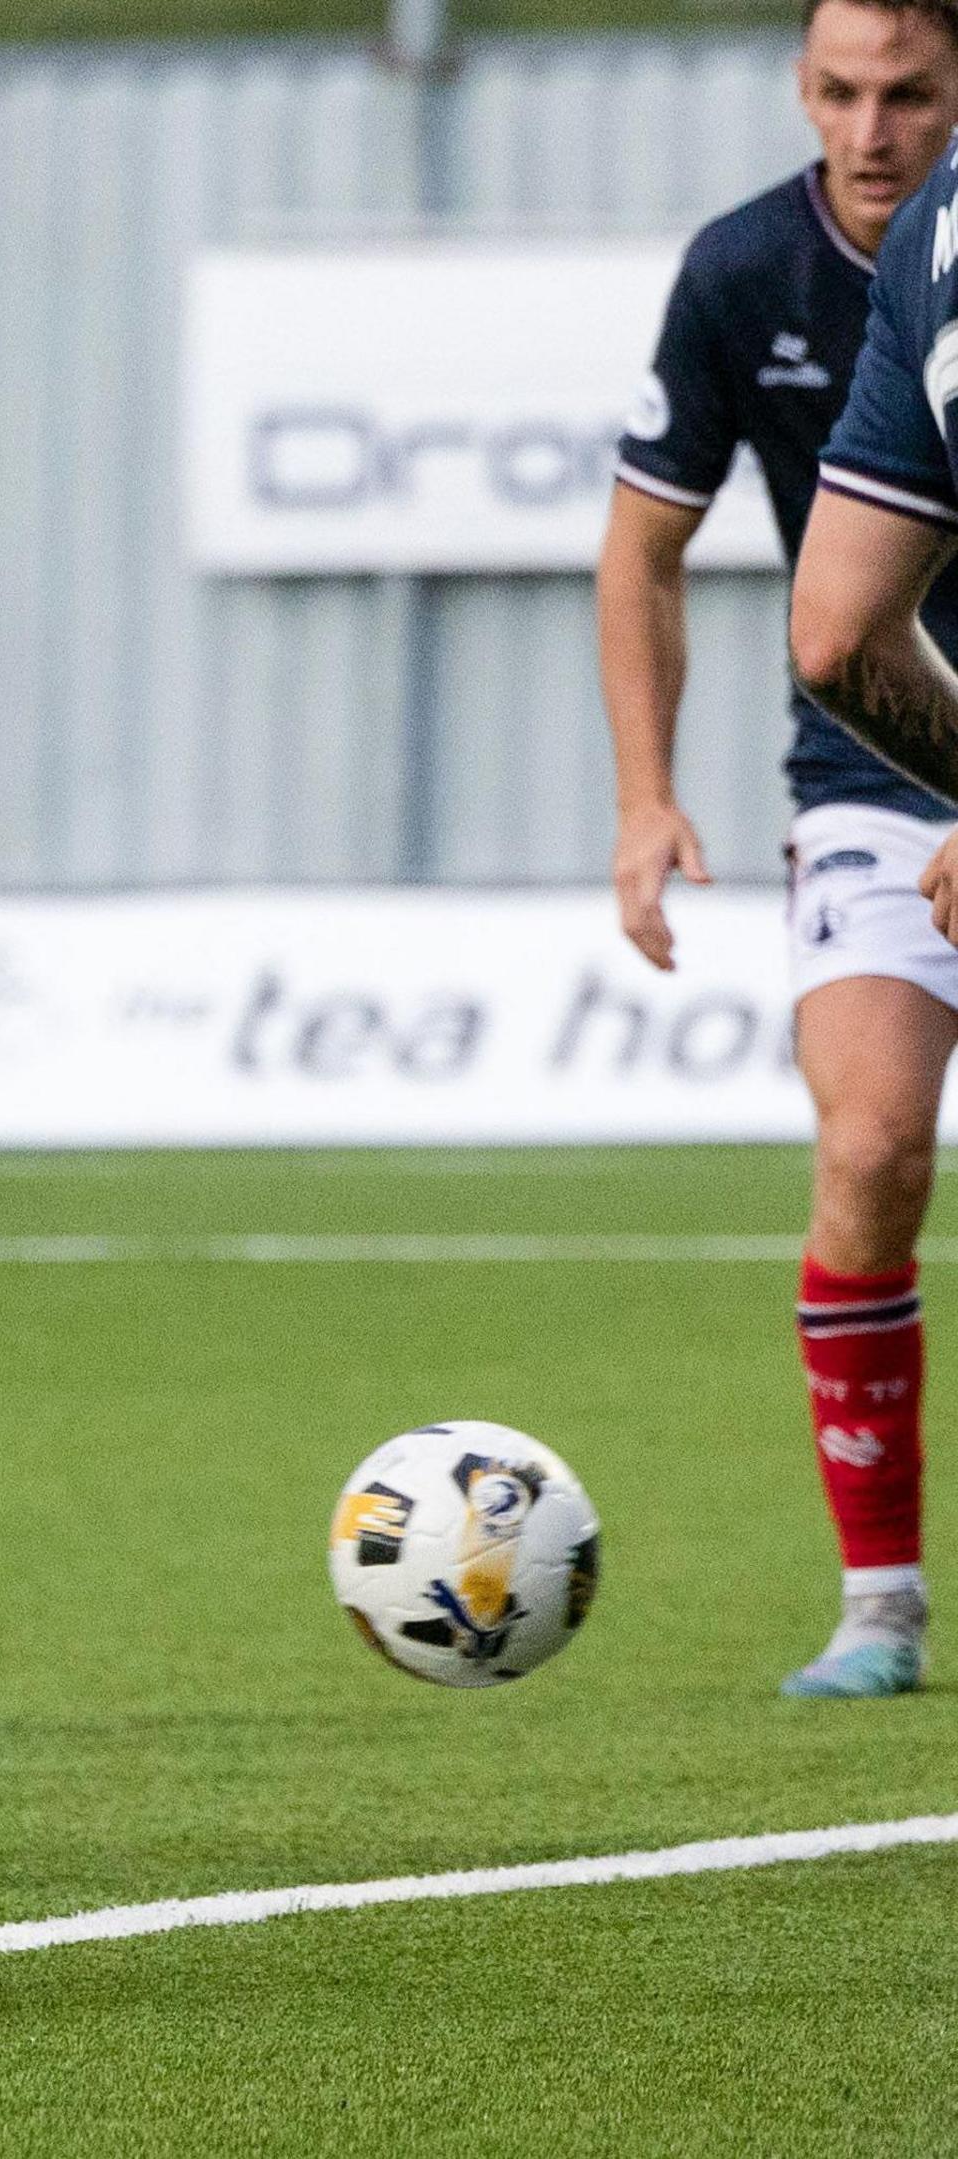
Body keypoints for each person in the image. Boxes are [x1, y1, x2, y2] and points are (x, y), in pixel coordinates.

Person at [690, 0, 958, 1699]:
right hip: (889, 759)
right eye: (841, 94)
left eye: (911, 94)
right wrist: (650, 793)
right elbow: (819, 617)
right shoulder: (894, 252)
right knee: (868, 1147)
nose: (873, 129)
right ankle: (881, 1598)